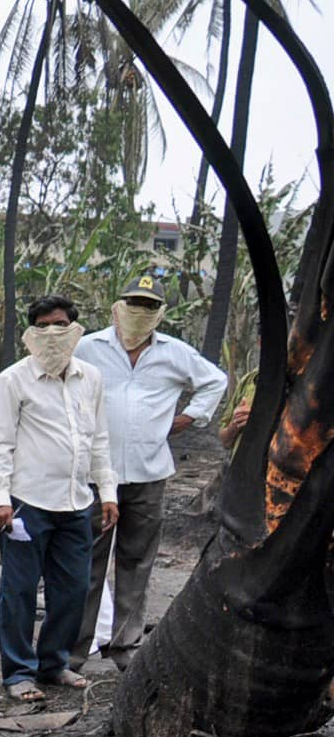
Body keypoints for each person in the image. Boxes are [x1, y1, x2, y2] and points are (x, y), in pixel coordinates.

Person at [71, 273, 228, 669]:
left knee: (136, 561)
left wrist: (188, 418)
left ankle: (126, 647)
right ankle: (75, 648)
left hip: (148, 472)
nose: (140, 312)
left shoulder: (174, 353)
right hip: (95, 474)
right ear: (117, 307)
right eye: (133, 303)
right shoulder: (88, 348)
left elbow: (215, 381)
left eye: (149, 306)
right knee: (88, 561)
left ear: (160, 313)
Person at [0, 296, 118, 702]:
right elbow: (0, 443)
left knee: (74, 590)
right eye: (42, 326)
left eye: (60, 325)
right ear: (31, 332)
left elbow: (98, 439)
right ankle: (18, 673)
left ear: (75, 329)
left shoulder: (90, 378)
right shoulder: (14, 380)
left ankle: (54, 663)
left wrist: (107, 491)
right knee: (20, 591)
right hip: (27, 505)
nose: (51, 334)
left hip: (77, 504)